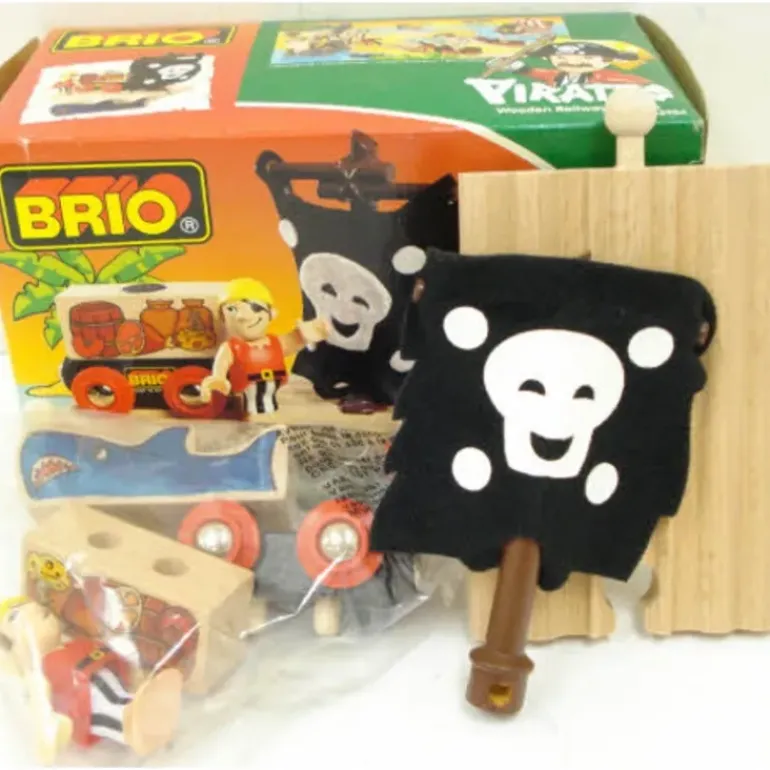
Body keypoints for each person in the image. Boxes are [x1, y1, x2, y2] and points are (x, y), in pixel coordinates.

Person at [200, 278, 329, 415]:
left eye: (255, 308)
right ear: (223, 318)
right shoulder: (231, 347)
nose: (243, 316)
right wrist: (218, 379)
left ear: (272, 313)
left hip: (272, 398)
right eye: (231, 309)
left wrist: (309, 332)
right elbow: (221, 367)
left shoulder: (275, 342)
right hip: (245, 402)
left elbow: (295, 340)